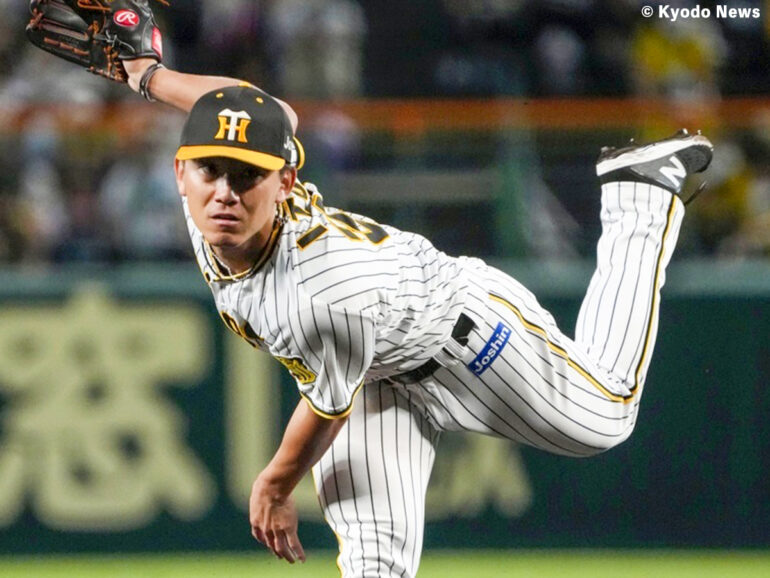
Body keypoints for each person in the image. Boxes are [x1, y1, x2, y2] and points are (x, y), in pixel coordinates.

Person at [28, 4, 714, 575]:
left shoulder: (321, 292)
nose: (226, 191)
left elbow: (325, 408)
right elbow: (266, 111)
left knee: (605, 417)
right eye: (210, 170)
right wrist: (148, 74)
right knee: (375, 566)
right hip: (375, 370)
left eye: (246, 176)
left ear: (284, 182)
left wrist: (273, 485)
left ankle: (640, 194)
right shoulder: (210, 198)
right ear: (181, 172)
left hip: (455, 331)